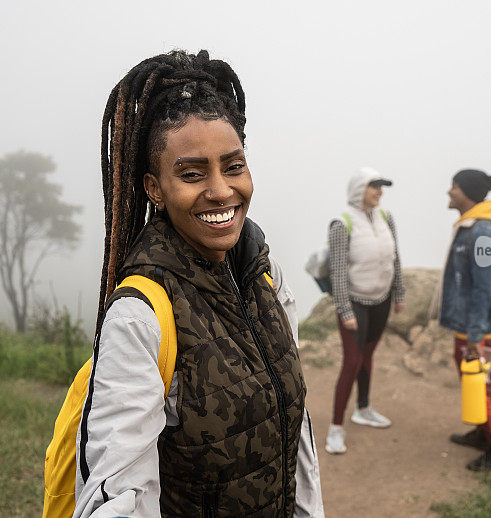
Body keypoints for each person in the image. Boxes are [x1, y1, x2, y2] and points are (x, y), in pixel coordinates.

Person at [75, 50, 323, 517]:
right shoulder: (141, 315)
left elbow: (297, 434)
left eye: (234, 166)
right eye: (191, 174)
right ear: (154, 188)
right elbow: (119, 494)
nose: (221, 190)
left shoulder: (261, 272)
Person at [430, 169, 491, 471]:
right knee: (473, 381)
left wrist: (476, 335)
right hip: (468, 326)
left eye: (453, 186)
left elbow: (485, 288)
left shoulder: (484, 232)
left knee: (482, 384)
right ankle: (482, 433)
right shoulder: (469, 226)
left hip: (479, 328)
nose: (448, 191)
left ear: (465, 191)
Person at [325, 167, 405, 455]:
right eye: (375, 187)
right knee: (352, 361)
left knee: (368, 357)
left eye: (382, 187)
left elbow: (395, 257)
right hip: (355, 303)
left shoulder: (386, 218)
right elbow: (337, 271)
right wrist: (345, 309)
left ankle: (364, 408)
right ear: (360, 189)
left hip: (381, 301)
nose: (380, 192)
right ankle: (336, 428)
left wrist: (399, 293)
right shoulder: (342, 223)